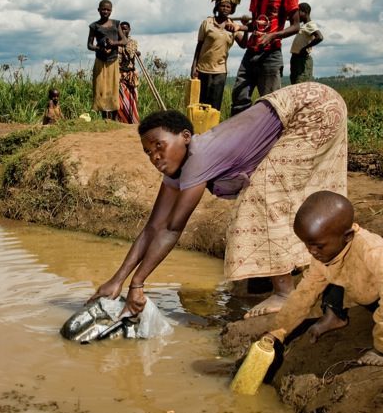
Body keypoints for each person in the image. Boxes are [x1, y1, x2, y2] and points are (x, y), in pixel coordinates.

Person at [88, 82, 348, 318]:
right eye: (148, 152)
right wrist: (117, 280)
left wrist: (137, 283)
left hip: (313, 108)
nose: (154, 156)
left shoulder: (199, 156)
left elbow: (172, 228)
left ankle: (284, 292)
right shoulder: (177, 169)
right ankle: (290, 270)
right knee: (280, 189)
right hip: (304, 104)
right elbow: (153, 227)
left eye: (159, 146)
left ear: (186, 137)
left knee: (260, 196)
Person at [266, 191, 383, 366]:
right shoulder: (325, 252)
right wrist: (277, 332)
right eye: (307, 244)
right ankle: (335, 316)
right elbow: (304, 294)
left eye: (318, 245)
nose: (311, 251)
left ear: (348, 236)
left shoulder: (373, 251)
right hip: (374, 296)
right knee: (327, 270)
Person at [228, 0, 300, 116]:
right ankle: (239, 137)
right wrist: (240, 28)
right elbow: (257, 25)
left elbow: (296, 26)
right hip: (251, 52)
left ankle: (270, 140)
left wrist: (273, 36)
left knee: (271, 102)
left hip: (271, 55)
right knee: (239, 97)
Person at [190, 0, 246, 111]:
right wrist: (194, 67)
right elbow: (199, 46)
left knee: (214, 106)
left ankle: (213, 128)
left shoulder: (233, 26)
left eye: (228, 6)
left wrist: (245, 28)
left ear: (232, 10)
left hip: (219, 72)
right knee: (199, 105)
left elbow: (244, 44)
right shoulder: (207, 23)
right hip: (202, 70)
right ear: (217, 7)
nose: (225, 8)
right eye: (222, 6)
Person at [87, 0, 128, 120]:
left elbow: (124, 41)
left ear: (111, 10)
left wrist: (114, 43)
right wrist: (99, 49)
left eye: (108, 10)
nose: (105, 11)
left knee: (113, 88)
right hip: (100, 60)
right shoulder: (94, 26)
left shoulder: (116, 24)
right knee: (100, 88)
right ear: (98, 10)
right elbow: (89, 45)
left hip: (113, 60)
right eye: (103, 9)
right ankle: (104, 118)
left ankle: (114, 118)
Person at [289, 3, 324, 84]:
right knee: (295, 83)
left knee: (301, 83)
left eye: (298, 13)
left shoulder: (310, 25)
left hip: (302, 60)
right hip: (296, 58)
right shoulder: (303, 26)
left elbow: (320, 37)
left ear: (304, 12)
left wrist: (305, 48)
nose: (297, 16)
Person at [117, 21, 140, 124]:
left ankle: (132, 121)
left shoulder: (132, 42)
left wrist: (124, 41)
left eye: (125, 29)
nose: (123, 31)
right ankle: (121, 121)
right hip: (119, 75)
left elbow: (130, 54)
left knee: (132, 99)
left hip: (130, 76)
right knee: (120, 100)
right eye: (121, 29)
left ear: (129, 30)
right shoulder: (115, 42)